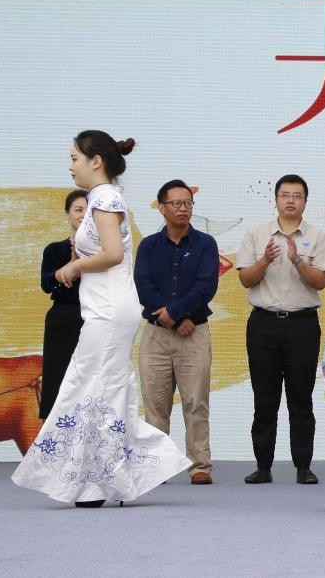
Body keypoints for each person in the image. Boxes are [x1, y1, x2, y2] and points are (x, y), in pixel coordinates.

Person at [14, 131, 190, 506]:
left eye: (74, 158)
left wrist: (74, 266)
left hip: (110, 310)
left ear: (96, 162)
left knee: (91, 388)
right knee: (99, 389)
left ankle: (106, 479)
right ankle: (106, 478)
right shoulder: (102, 197)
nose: (70, 166)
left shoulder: (106, 197)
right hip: (105, 307)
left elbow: (112, 254)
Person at [236, 174, 325, 486]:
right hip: (263, 324)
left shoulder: (318, 237)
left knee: (301, 398)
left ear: (305, 201)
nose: (291, 200)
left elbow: (321, 282)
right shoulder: (256, 234)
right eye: (285, 195)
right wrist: (265, 259)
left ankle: (303, 467)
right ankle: (262, 467)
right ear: (276, 199)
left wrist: (298, 261)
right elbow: (246, 280)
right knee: (264, 399)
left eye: (297, 196)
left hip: (302, 325)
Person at [135, 179, 220, 486]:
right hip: (156, 335)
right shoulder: (148, 245)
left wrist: (177, 313)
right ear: (162, 208)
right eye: (176, 203)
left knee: (196, 401)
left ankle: (199, 465)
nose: (183, 208)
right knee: (155, 403)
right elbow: (143, 285)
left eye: (188, 203)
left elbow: (206, 286)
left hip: (193, 333)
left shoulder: (205, 244)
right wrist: (171, 318)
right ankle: (157, 466)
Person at [37, 189, 88, 419]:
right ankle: (54, 434)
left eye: (89, 211)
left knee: (90, 382)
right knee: (58, 378)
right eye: (78, 210)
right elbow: (47, 284)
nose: (83, 215)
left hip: (94, 319)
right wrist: (72, 264)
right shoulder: (54, 249)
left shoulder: (107, 252)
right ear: (68, 214)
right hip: (63, 319)